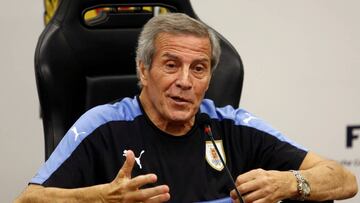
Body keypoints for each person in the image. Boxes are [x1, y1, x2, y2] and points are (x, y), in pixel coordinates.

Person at [16, 13, 357, 203]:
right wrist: (102, 199)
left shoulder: (232, 125)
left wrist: (290, 183)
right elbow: (27, 202)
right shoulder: (103, 125)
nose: (185, 81)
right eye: (170, 65)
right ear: (142, 70)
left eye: (198, 68)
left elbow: (343, 179)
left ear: (209, 77)